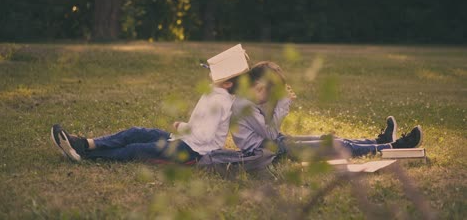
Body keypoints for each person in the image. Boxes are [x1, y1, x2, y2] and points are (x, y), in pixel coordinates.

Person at [51, 45, 249, 164]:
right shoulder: (215, 92)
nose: (211, 72)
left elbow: (204, 136)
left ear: (228, 83)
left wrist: (183, 126)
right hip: (182, 140)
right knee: (135, 132)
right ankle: (85, 144)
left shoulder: (220, 101)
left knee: (136, 149)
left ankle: (83, 154)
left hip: (192, 152)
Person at [231, 61, 423, 159]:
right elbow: (270, 133)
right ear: (258, 85)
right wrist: (282, 104)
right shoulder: (244, 105)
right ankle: (393, 147)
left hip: (274, 142)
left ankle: (379, 141)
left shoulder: (247, 99)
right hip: (267, 151)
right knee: (336, 146)